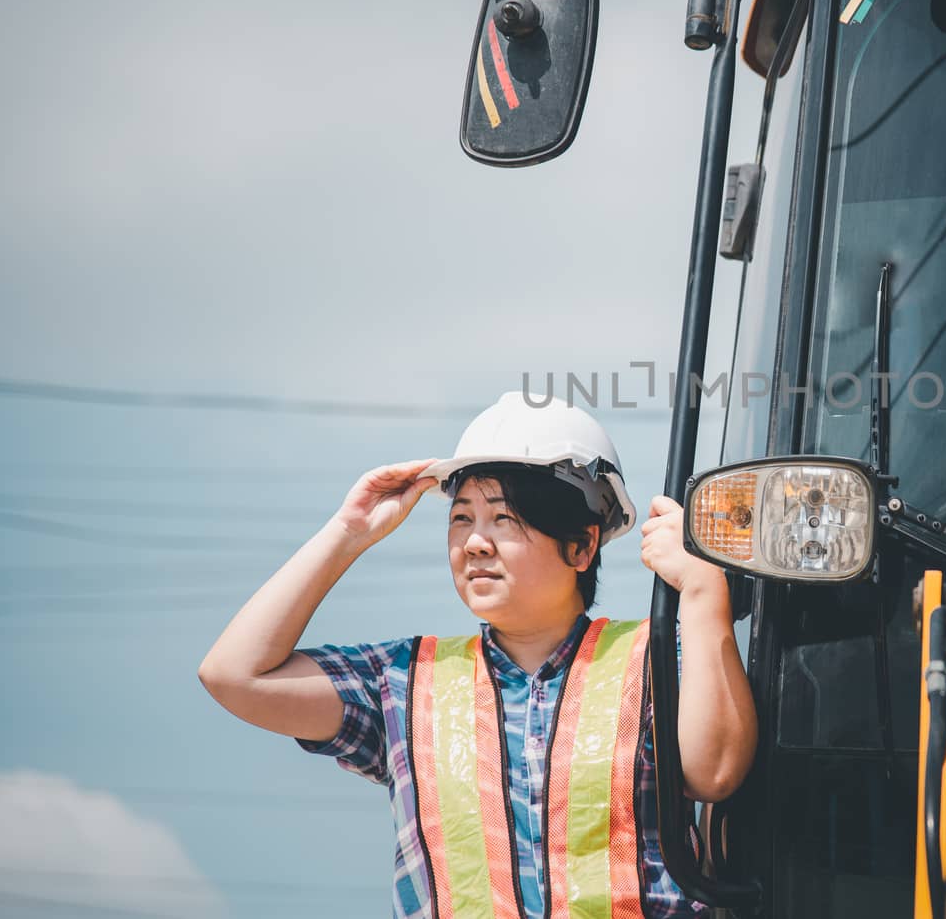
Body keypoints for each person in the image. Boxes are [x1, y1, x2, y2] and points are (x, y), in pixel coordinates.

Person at [198, 392, 757, 919]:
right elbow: (234, 674)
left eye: (503, 518)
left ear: (583, 545)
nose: (474, 542)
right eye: (461, 517)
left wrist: (705, 593)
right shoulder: (403, 682)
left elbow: (716, 774)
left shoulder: (655, 658)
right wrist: (347, 533)